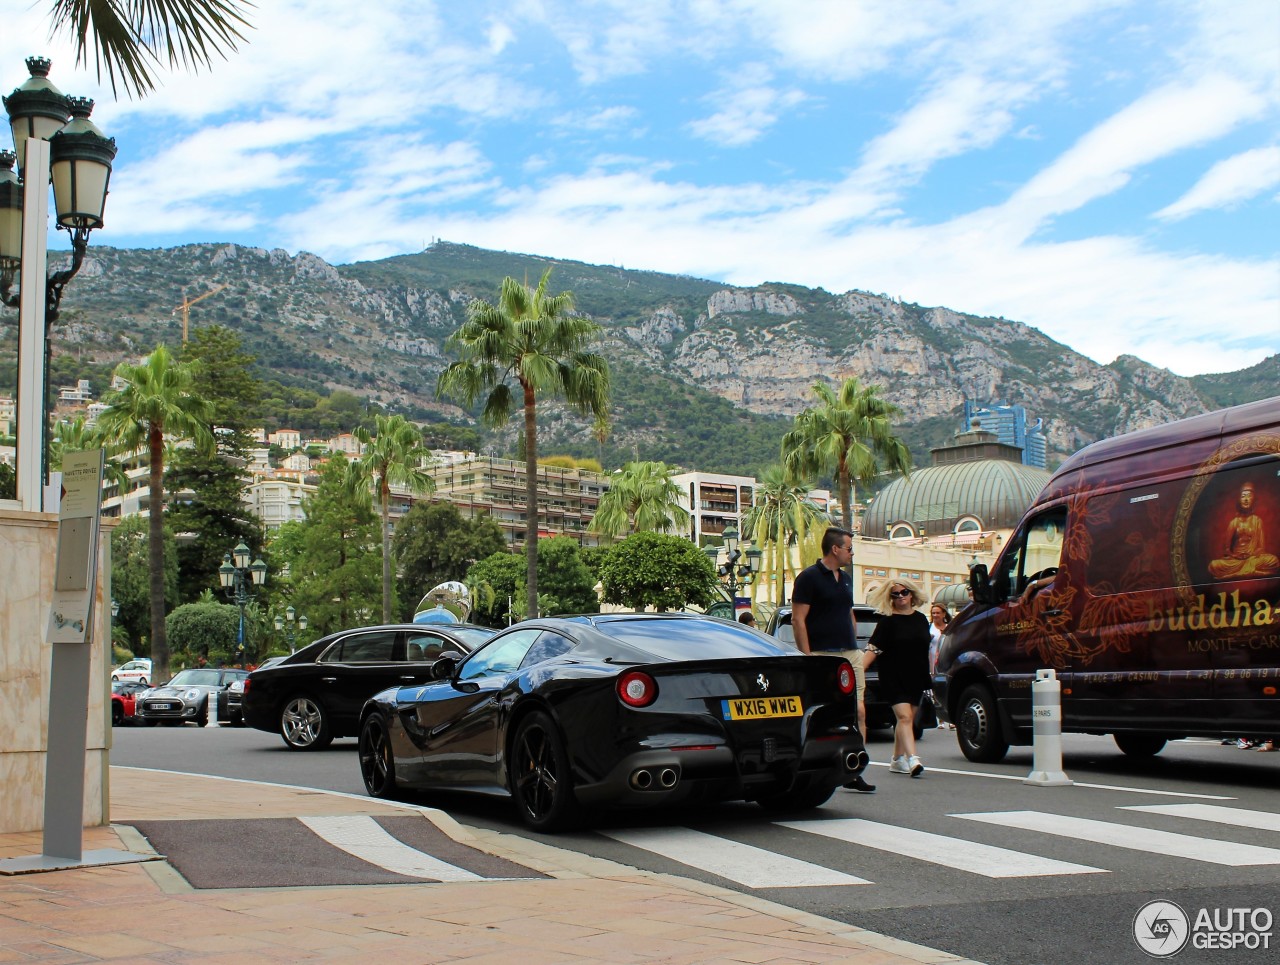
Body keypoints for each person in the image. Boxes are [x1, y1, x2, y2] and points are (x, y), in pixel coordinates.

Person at [792, 526, 875, 793]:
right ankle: (817, 766)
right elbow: (798, 619)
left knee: (859, 710)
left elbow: (848, 612)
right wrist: (807, 656)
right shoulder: (809, 578)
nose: (852, 553)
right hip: (821, 654)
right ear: (835, 549)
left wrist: (853, 640)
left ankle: (855, 769)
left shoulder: (847, 579)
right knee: (823, 713)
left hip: (849, 653)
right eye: (849, 548)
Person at [868, 578, 931, 778]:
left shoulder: (921, 619)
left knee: (907, 720)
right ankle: (913, 759)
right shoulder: (887, 622)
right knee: (904, 717)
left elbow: (925, 650)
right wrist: (854, 673)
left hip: (917, 676)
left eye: (903, 592)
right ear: (890, 598)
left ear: (911, 594)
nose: (900, 597)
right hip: (893, 676)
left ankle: (897, 760)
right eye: (895, 594)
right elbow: (872, 652)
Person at [1209, 481, 1278, 579]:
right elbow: (1227, 549)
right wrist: (1235, 555)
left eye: (1249, 496)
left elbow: (1261, 548)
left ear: (1253, 500)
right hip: (1236, 560)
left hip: (1252, 558)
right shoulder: (1234, 522)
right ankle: (1249, 571)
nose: (1246, 499)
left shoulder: (1257, 521)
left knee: (1273, 560)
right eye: (1243, 496)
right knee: (1214, 565)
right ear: (1239, 500)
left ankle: (1243, 571)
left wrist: (1250, 555)